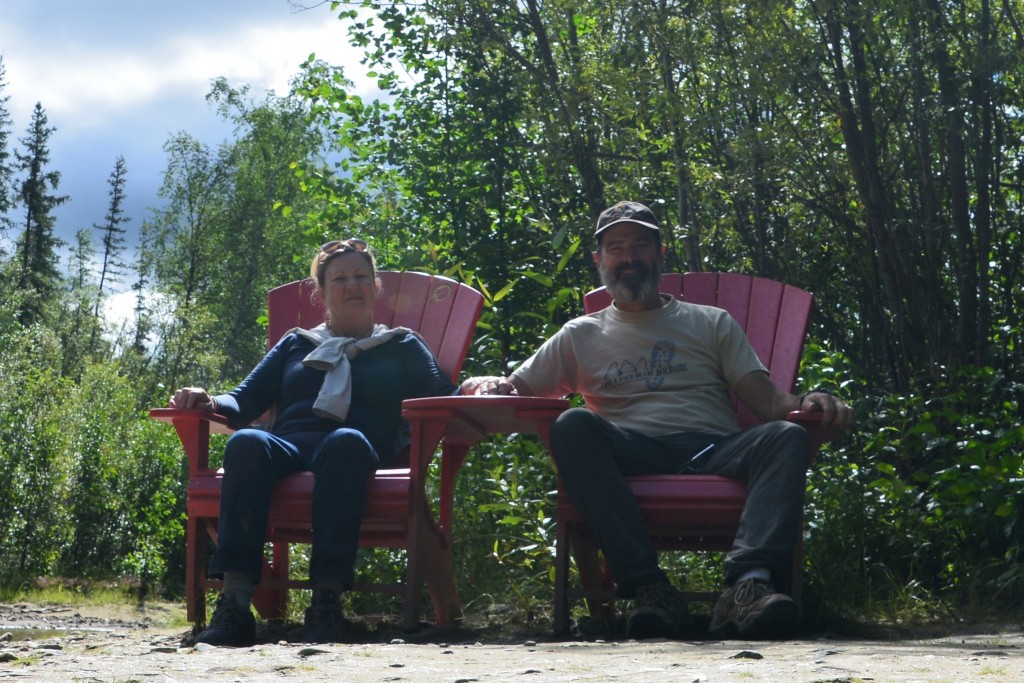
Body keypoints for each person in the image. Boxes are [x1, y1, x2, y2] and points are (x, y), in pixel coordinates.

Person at [462, 201, 854, 640]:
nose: (628, 257)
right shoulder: (580, 334)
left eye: (640, 245)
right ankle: (649, 589)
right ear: (599, 260)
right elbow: (517, 391)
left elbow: (769, 403)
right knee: (572, 425)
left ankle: (749, 586)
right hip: (633, 451)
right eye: (616, 248)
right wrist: (488, 381)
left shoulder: (710, 323)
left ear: (660, 253)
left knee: (785, 437)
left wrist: (811, 399)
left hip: (714, 449)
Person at [169, 238, 460, 646]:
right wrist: (209, 400)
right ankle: (234, 605)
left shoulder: (402, 346)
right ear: (322, 292)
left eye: (361, 276)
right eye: (339, 279)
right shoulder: (296, 343)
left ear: (377, 288)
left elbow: (442, 396)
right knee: (248, 442)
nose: (352, 285)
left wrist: (481, 386)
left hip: (355, 454)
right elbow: (245, 400)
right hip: (289, 449)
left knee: (345, 441)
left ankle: (326, 603)